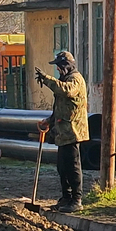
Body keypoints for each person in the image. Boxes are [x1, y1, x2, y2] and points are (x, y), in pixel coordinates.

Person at [35, 51, 89, 212]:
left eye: (59, 66)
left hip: (73, 131)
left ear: (67, 65)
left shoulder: (75, 79)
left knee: (73, 166)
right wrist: (49, 121)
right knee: (62, 167)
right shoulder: (65, 79)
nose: (57, 69)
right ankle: (66, 197)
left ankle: (76, 199)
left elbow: (67, 91)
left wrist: (47, 79)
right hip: (62, 131)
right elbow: (61, 107)